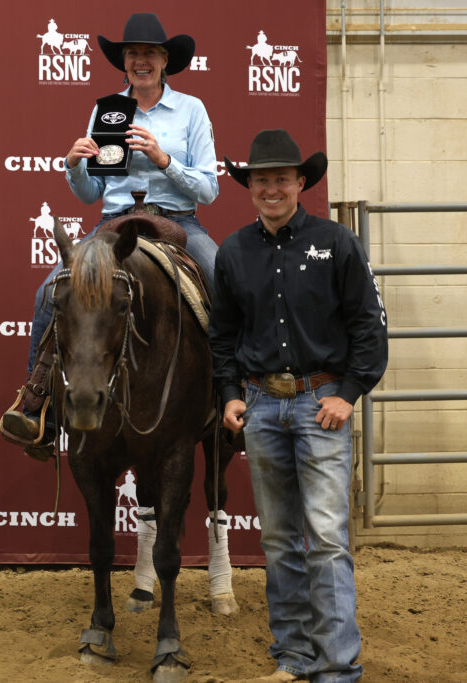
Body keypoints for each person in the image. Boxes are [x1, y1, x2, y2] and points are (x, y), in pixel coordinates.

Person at [210, 129, 388, 682]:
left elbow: (369, 326)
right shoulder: (233, 251)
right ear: (250, 187)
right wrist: (231, 395)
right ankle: (293, 656)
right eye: (261, 179)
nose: (271, 189)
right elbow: (223, 335)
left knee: (328, 538)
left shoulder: (337, 243)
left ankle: (336, 668)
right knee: (279, 539)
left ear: (300, 183)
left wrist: (349, 393)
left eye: (281, 179)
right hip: (262, 406)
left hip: (321, 405)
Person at [0, 12, 219, 449]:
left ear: (164, 61)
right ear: (124, 62)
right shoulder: (106, 109)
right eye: (133, 53)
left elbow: (209, 188)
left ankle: (233, 395)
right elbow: (89, 193)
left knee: (222, 279)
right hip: (114, 223)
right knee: (49, 291)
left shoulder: (191, 109)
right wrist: (75, 164)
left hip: (178, 222)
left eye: (150, 54)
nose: (141, 61)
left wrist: (163, 160)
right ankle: (37, 398)